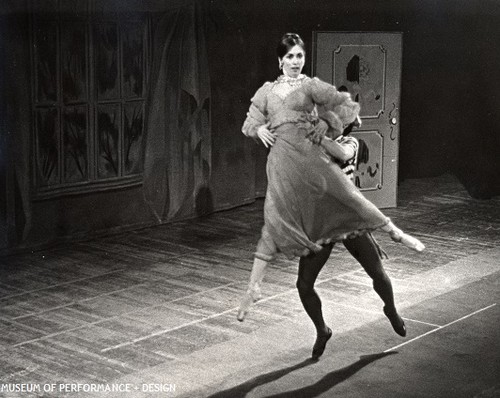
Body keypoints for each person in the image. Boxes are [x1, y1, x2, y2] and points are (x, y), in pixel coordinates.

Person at [237, 33, 424, 358]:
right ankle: (322, 329)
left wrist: (321, 128)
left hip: (342, 214)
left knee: (377, 272)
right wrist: (259, 129)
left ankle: (391, 309)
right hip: (315, 218)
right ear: (280, 60)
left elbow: (343, 116)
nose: (296, 61)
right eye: (291, 56)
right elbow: (250, 122)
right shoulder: (267, 93)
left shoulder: (339, 139)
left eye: (300, 56)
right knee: (303, 285)